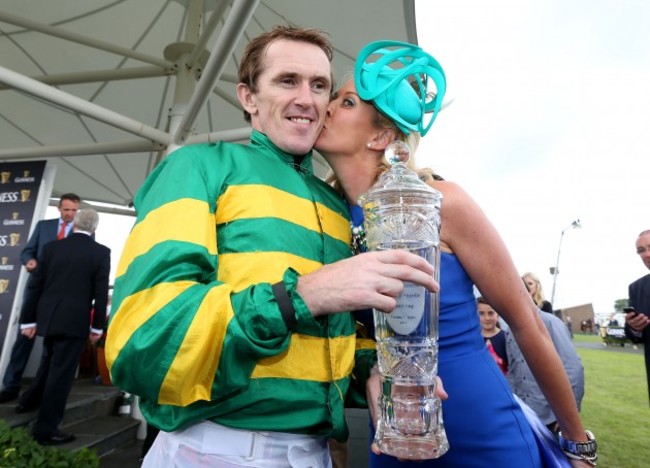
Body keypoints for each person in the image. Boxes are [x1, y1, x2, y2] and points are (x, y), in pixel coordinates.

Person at [105, 26, 438, 468]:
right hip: (212, 449)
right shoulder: (197, 165)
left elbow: (320, 346)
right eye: (287, 81)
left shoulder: (337, 205)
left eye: (319, 85)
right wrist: (304, 294)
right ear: (248, 97)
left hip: (315, 454)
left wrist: (372, 372)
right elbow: (143, 341)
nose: (308, 98)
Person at [315, 40, 596, 467]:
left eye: (346, 101)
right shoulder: (325, 218)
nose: (328, 106)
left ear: (381, 136)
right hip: (394, 430)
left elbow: (525, 322)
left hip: (478, 425)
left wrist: (577, 445)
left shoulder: (440, 201)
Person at [16, 208, 110, 445]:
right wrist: (97, 328)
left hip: (49, 318)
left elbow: (35, 286)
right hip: (74, 321)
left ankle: (28, 402)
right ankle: (45, 430)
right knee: (61, 376)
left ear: (74, 224)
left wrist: (28, 320)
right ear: (94, 229)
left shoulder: (51, 248)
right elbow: (100, 294)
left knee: (48, 364)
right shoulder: (100, 253)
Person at [0, 193, 81, 404]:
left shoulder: (83, 233)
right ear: (59, 209)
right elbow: (26, 252)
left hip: (62, 297)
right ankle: (11, 386)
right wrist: (30, 262)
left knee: (53, 345)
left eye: (74, 210)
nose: (70, 214)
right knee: (24, 339)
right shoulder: (44, 227)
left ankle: (42, 392)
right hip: (37, 292)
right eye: (67, 209)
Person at [504, 288, 584, 433]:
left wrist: (570, 414)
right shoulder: (510, 329)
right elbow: (513, 369)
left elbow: (573, 368)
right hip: (523, 414)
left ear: (530, 295)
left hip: (552, 417)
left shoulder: (551, 322)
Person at [624, 229, 650, 405]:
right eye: (641, 250)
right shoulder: (637, 288)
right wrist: (634, 327)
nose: (647, 254)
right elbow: (633, 335)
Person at [477, 296, 508, 375]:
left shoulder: (506, 338)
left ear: (498, 314)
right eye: (481, 313)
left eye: (491, 313)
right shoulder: (472, 338)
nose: (487, 318)